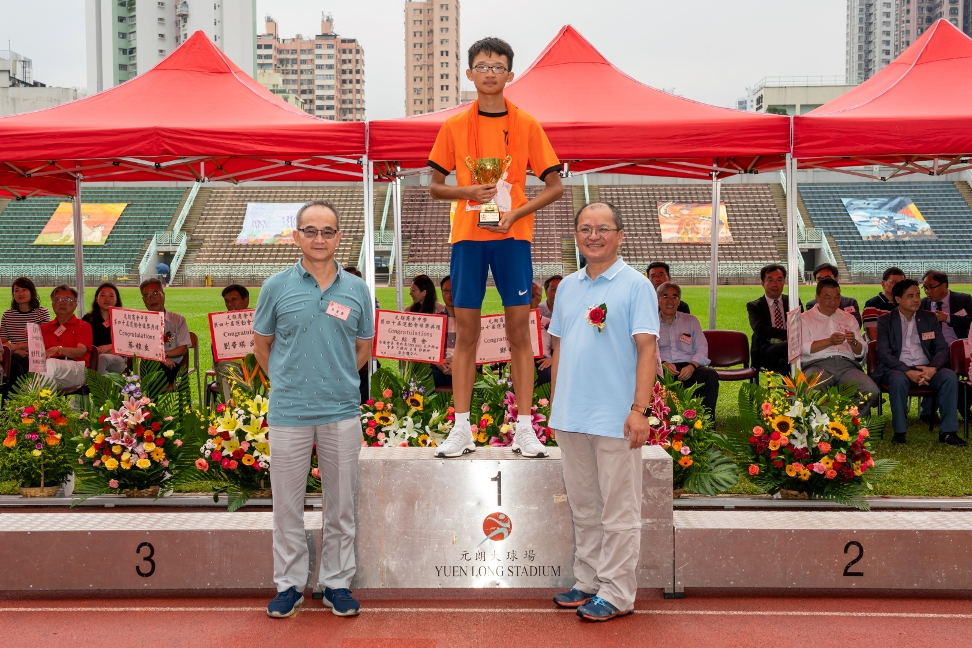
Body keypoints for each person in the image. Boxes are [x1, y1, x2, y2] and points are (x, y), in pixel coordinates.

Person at [427, 36, 563, 459]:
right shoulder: (453, 126)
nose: (490, 73)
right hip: (468, 237)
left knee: (519, 331)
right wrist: (466, 190)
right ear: (469, 73)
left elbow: (555, 186)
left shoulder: (527, 125)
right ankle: (461, 429)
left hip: (512, 237)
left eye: (498, 66)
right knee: (466, 333)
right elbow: (434, 186)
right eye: (482, 66)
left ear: (510, 74)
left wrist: (517, 212)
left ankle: (525, 428)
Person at [254, 199, 375, 619]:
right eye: (310, 230)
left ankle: (336, 583)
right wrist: (287, 381)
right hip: (288, 412)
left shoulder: (357, 289)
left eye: (327, 231)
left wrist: (334, 379)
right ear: (297, 236)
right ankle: (288, 584)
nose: (319, 238)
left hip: (341, 411)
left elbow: (363, 348)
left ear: (339, 237)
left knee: (340, 505)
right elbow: (262, 345)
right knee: (287, 506)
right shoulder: (275, 287)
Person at [548, 202, 657, 622]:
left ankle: (617, 592)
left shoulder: (636, 286)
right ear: (576, 235)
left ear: (620, 235)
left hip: (615, 417)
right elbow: (559, 348)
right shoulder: (568, 287)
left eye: (603, 229)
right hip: (571, 416)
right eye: (585, 229)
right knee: (584, 506)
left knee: (618, 510)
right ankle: (589, 580)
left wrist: (639, 409)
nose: (593, 236)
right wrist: (556, 405)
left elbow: (647, 349)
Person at [873, 279, 966, 446]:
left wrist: (933, 368)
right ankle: (900, 432)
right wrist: (907, 371)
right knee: (898, 380)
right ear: (898, 299)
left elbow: (942, 348)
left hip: (927, 368)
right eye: (910, 296)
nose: (916, 299)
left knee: (949, 377)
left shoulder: (929, 318)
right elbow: (884, 353)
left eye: (917, 295)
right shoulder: (885, 320)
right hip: (898, 369)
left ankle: (948, 432)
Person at [800, 278, 879, 415]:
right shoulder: (804, 318)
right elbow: (801, 348)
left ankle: (849, 422)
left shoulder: (848, 318)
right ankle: (820, 425)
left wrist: (854, 342)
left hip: (846, 365)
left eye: (837, 297)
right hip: (816, 364)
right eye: (828, 298)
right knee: (811, 389)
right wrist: (829, 341)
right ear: (817, 298)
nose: (833, 302)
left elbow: (862, 352)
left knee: (870, 390)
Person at [656, 281, 719, 418]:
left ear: (679, 301)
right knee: (648, 377)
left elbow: (702, 348)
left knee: (710, 376)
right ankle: (658, 421)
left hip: (688, 367)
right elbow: (647, 351)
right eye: (665, 296)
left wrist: (692, 366)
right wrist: (663, 364)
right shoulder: (650, 323)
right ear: (658, 300)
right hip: (661, 369)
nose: (670, 301)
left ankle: (706, 423)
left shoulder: (691, 321)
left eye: (674, 297)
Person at [919, 270, 972, 422]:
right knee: (940, 365)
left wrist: (948, 318)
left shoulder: (963, 299)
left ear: (944, 285)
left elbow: (971, 320)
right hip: (932, 350)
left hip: (960, 350)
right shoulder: (922, 304)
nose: (928, 291)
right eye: (925, 288)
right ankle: (961, 408)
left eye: (931, 287)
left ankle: (928, 411)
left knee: (944, 365)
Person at [747, 264, 802, 375]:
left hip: (787, 353)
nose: (775, 284)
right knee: (790, 346)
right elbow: (760, 330)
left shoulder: (793, 302)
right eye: (770, 280)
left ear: (784, 282)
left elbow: (801, 324)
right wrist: (788, 334)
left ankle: (789, 387)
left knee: (783, 363)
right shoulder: (755, 306)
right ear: (762, 283)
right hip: (766, 350)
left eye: (779, 280)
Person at [0, 277, 51, 390]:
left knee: (13, 361)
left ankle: (15, 398)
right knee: (13, 359)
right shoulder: (8, 315)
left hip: (36, 356)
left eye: (24, 289)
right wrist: (14, 350)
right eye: (16, 290)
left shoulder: (42, 313)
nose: (20, 293)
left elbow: (43, 340)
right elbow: (2, 341)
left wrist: (17, 346)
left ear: (32, 292)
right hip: (15, 355)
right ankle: (18, 396)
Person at [39, 285, 92, 390]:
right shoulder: (44, 328)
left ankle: (37, 399)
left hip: (76, 368)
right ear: (53, 304)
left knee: (49, 364)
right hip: (48, 370)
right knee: (42, 379)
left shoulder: (84, 326)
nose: (62, 303)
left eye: (67, 299)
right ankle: (46, 400)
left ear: (75, 304)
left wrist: (58, 350)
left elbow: (81, 352)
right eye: (57, 299)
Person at [140, 278, 190, 386]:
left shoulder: (178, 320)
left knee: (152, 374)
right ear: (143, 300)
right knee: (144, 369)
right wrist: (160, 359)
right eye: (147, 296)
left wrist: (163, 356)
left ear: (163, 295)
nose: (152, 298)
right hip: (146, 366)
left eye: (155, 293)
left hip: (170, 367)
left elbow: (182, 349)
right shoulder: (139, 323)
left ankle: (147, 396)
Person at [342, 267, 376, 404]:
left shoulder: (366, 298)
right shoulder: (333, 299)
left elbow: (368, 332)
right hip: (340, 354)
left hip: (358, 354)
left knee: (369, 373)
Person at [211, 284, 250, 402]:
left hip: (256, 366)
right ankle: (231, 410)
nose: (229, 304)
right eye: (226, 301)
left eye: (234, 299)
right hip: (232, 366)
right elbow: (217, 353)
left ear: (246, 300)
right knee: (225, 368)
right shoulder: (221, 323)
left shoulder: (258, 319)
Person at [81, 282, 128, 374]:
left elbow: (129, 343)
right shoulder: (88, 319)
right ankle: (104, 383)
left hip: (118, 359)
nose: (107, 299)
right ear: (96, 299)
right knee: (101, 365)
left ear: (117, 299)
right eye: (103, 295)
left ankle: (95, 382)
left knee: (102, 358)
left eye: (111, 296)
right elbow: (84, 343)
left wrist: (110, 347)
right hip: (93, 357)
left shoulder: (123, 318)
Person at [862, 266, 905, 341]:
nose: (898, 286)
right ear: (883, 284)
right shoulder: (872, 305)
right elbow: (873, 337)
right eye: (894, 282)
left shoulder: (905, 304)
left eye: (901, 283)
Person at [430, 275, 456, 390]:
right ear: (442, 293)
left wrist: (457, 364)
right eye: (447, 290)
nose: (451, 294)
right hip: (439, 368)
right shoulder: (435, 320)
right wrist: (439, 363)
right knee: (423, 375)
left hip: (463, 367)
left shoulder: (470, 321)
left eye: (454, 289)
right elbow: (428, 349)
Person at [531, 281, 553, 386]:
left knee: (551, 374)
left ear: (540, 298)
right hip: (518, 360)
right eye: (527, 294)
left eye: (533, 295)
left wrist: (552, 359)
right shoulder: (510, 322)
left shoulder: (548, 322)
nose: (529, 298)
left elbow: (560, 346)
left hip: (542, 361)